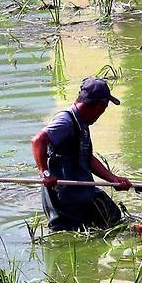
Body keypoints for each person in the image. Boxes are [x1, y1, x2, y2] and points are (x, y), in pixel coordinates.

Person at [31, 77, 132, 231]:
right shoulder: (66, 121)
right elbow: (38, 140)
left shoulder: (81, 122)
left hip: (82, 192)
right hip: (64, 195)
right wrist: (44, 173)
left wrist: (113, 179)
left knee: (111, 216)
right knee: (68, 239)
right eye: (104, 109)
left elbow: (87, 157)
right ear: (100, 105)